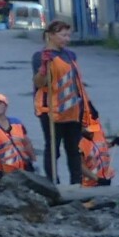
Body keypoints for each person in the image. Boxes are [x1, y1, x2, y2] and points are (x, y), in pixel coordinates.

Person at [31, 20, 92, 184]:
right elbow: (39, 83)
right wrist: (43, 69)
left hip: (71, 108)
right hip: (50, 109)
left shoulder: (70, 55)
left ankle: (76, 182)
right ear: (51, 35)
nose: (67, 39)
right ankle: (52, 183)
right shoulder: (41, 56)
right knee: (53, 148)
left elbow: (77, 81)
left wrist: (86, 107)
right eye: (63, 35)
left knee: (73, 149)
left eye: (68, 35)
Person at [78, 115, 116, 187]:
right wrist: (97, 179)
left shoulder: (97, 132)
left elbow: (101, 147)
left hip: (106, 180)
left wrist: (112, 143)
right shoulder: (80, 143)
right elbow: (80, 166)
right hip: (90, 185)